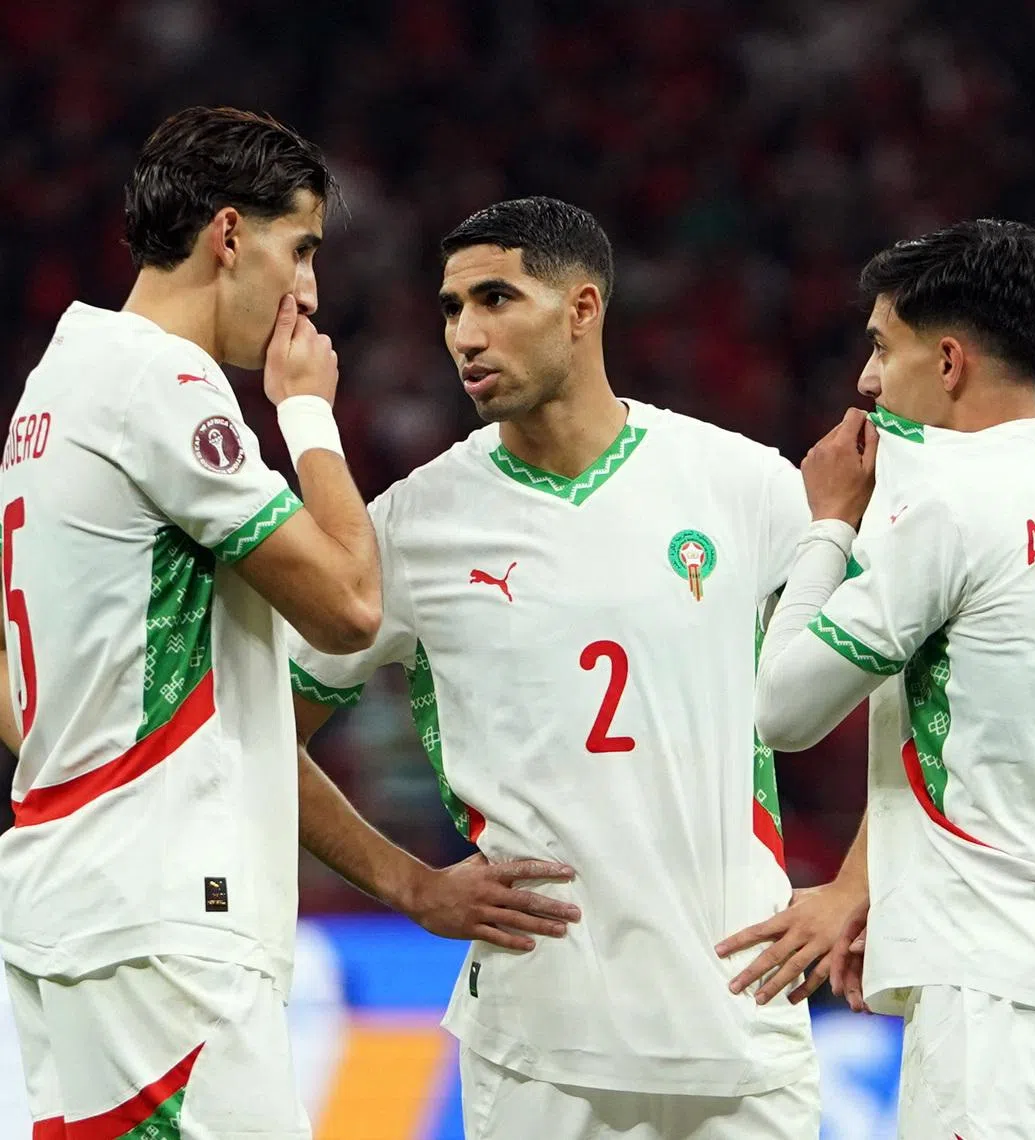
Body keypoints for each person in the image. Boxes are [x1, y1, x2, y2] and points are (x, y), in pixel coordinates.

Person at [0, 108, 574, 1140]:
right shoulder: (156, 384)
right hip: (162, 931)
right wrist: (306, 413)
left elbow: (64, 709)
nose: (307, 289)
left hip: (88, 917)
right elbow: (351, 607)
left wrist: (410, 884)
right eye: (299, 247)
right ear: (230, 235)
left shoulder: (54, 392)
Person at [289, 196, 826, 1139]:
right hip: (541, 1041)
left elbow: (907, 658)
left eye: (496, 298)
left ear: (583, 308)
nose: (465, 334)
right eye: (452, 309)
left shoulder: (743, 486)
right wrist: (411, 884)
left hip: (743, 1014)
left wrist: (856, 887)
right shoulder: (416, 525)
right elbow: (259, 733)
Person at [744, 219, 1035, 1138]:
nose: (866, 381)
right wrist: (873, 880)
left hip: (994, 1012)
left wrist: (829, 526)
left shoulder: (946, 508)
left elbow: (782, 709)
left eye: (883, 346)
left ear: (950, 360)